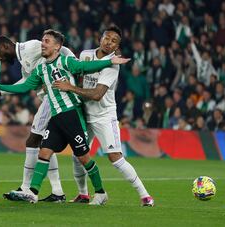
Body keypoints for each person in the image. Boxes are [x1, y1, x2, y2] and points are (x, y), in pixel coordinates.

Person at [0, 29, 130, 205]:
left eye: (46, 41)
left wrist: (109, 61)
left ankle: (100, 192)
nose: (42, 44)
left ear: (57, 46)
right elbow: (25, 86)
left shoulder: (66, 61)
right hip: (56, 117)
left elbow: (85, 67)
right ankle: (32, 192)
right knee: (44, 152)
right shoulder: (41, 68)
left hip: (71, 115)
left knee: (83, 157)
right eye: (43, 40)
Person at [53, 25, 154, 206]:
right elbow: (79, 76)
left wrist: (70, 87)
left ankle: (145, 196)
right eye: (107, 38)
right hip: (85, 114)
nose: (109, 42)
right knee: (79, 153)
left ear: (117, 47)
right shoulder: (85, 54)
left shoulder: (113, 64)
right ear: (100, 38)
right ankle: (83, 194)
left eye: (114, 41)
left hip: (104, 116)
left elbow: (97, 94)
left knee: (115, 157)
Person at [0, 35, 75, 202]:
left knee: (32, 140)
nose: (0, 58)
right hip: (49, 97)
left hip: (55, 97)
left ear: (6, 46)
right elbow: (26, 82)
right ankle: (57, 192)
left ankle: (26, 187)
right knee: (46, 143)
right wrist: (1, 93)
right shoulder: (24, 61)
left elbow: (61, 49)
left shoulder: (32, 47)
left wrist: (72, 65)